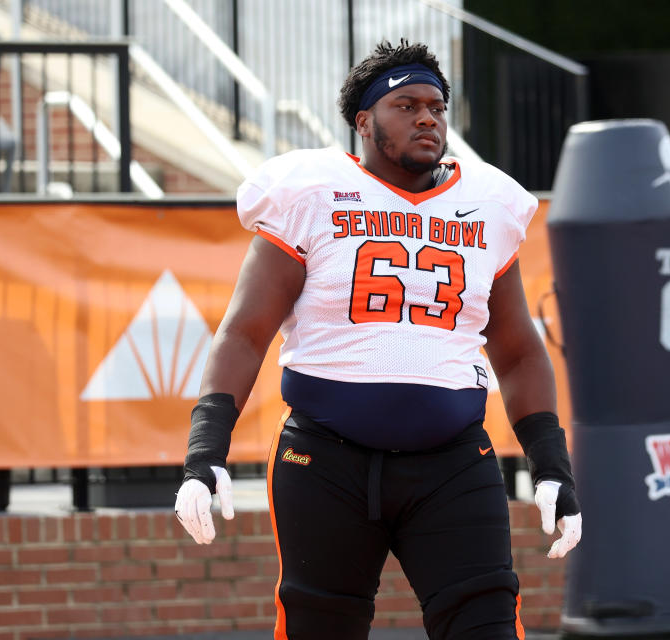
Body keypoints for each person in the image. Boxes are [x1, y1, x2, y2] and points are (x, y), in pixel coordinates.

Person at [174, 39, 582, 640]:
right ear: (364, 121)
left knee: (487, 624)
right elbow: (244, 332)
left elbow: (518, 349)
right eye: (407, 105)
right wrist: (204, 452)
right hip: (325, 460)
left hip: (452, 462)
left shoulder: (489, 203)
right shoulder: (313, 192)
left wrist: (553, 464)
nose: (427, 118)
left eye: (438, 107)